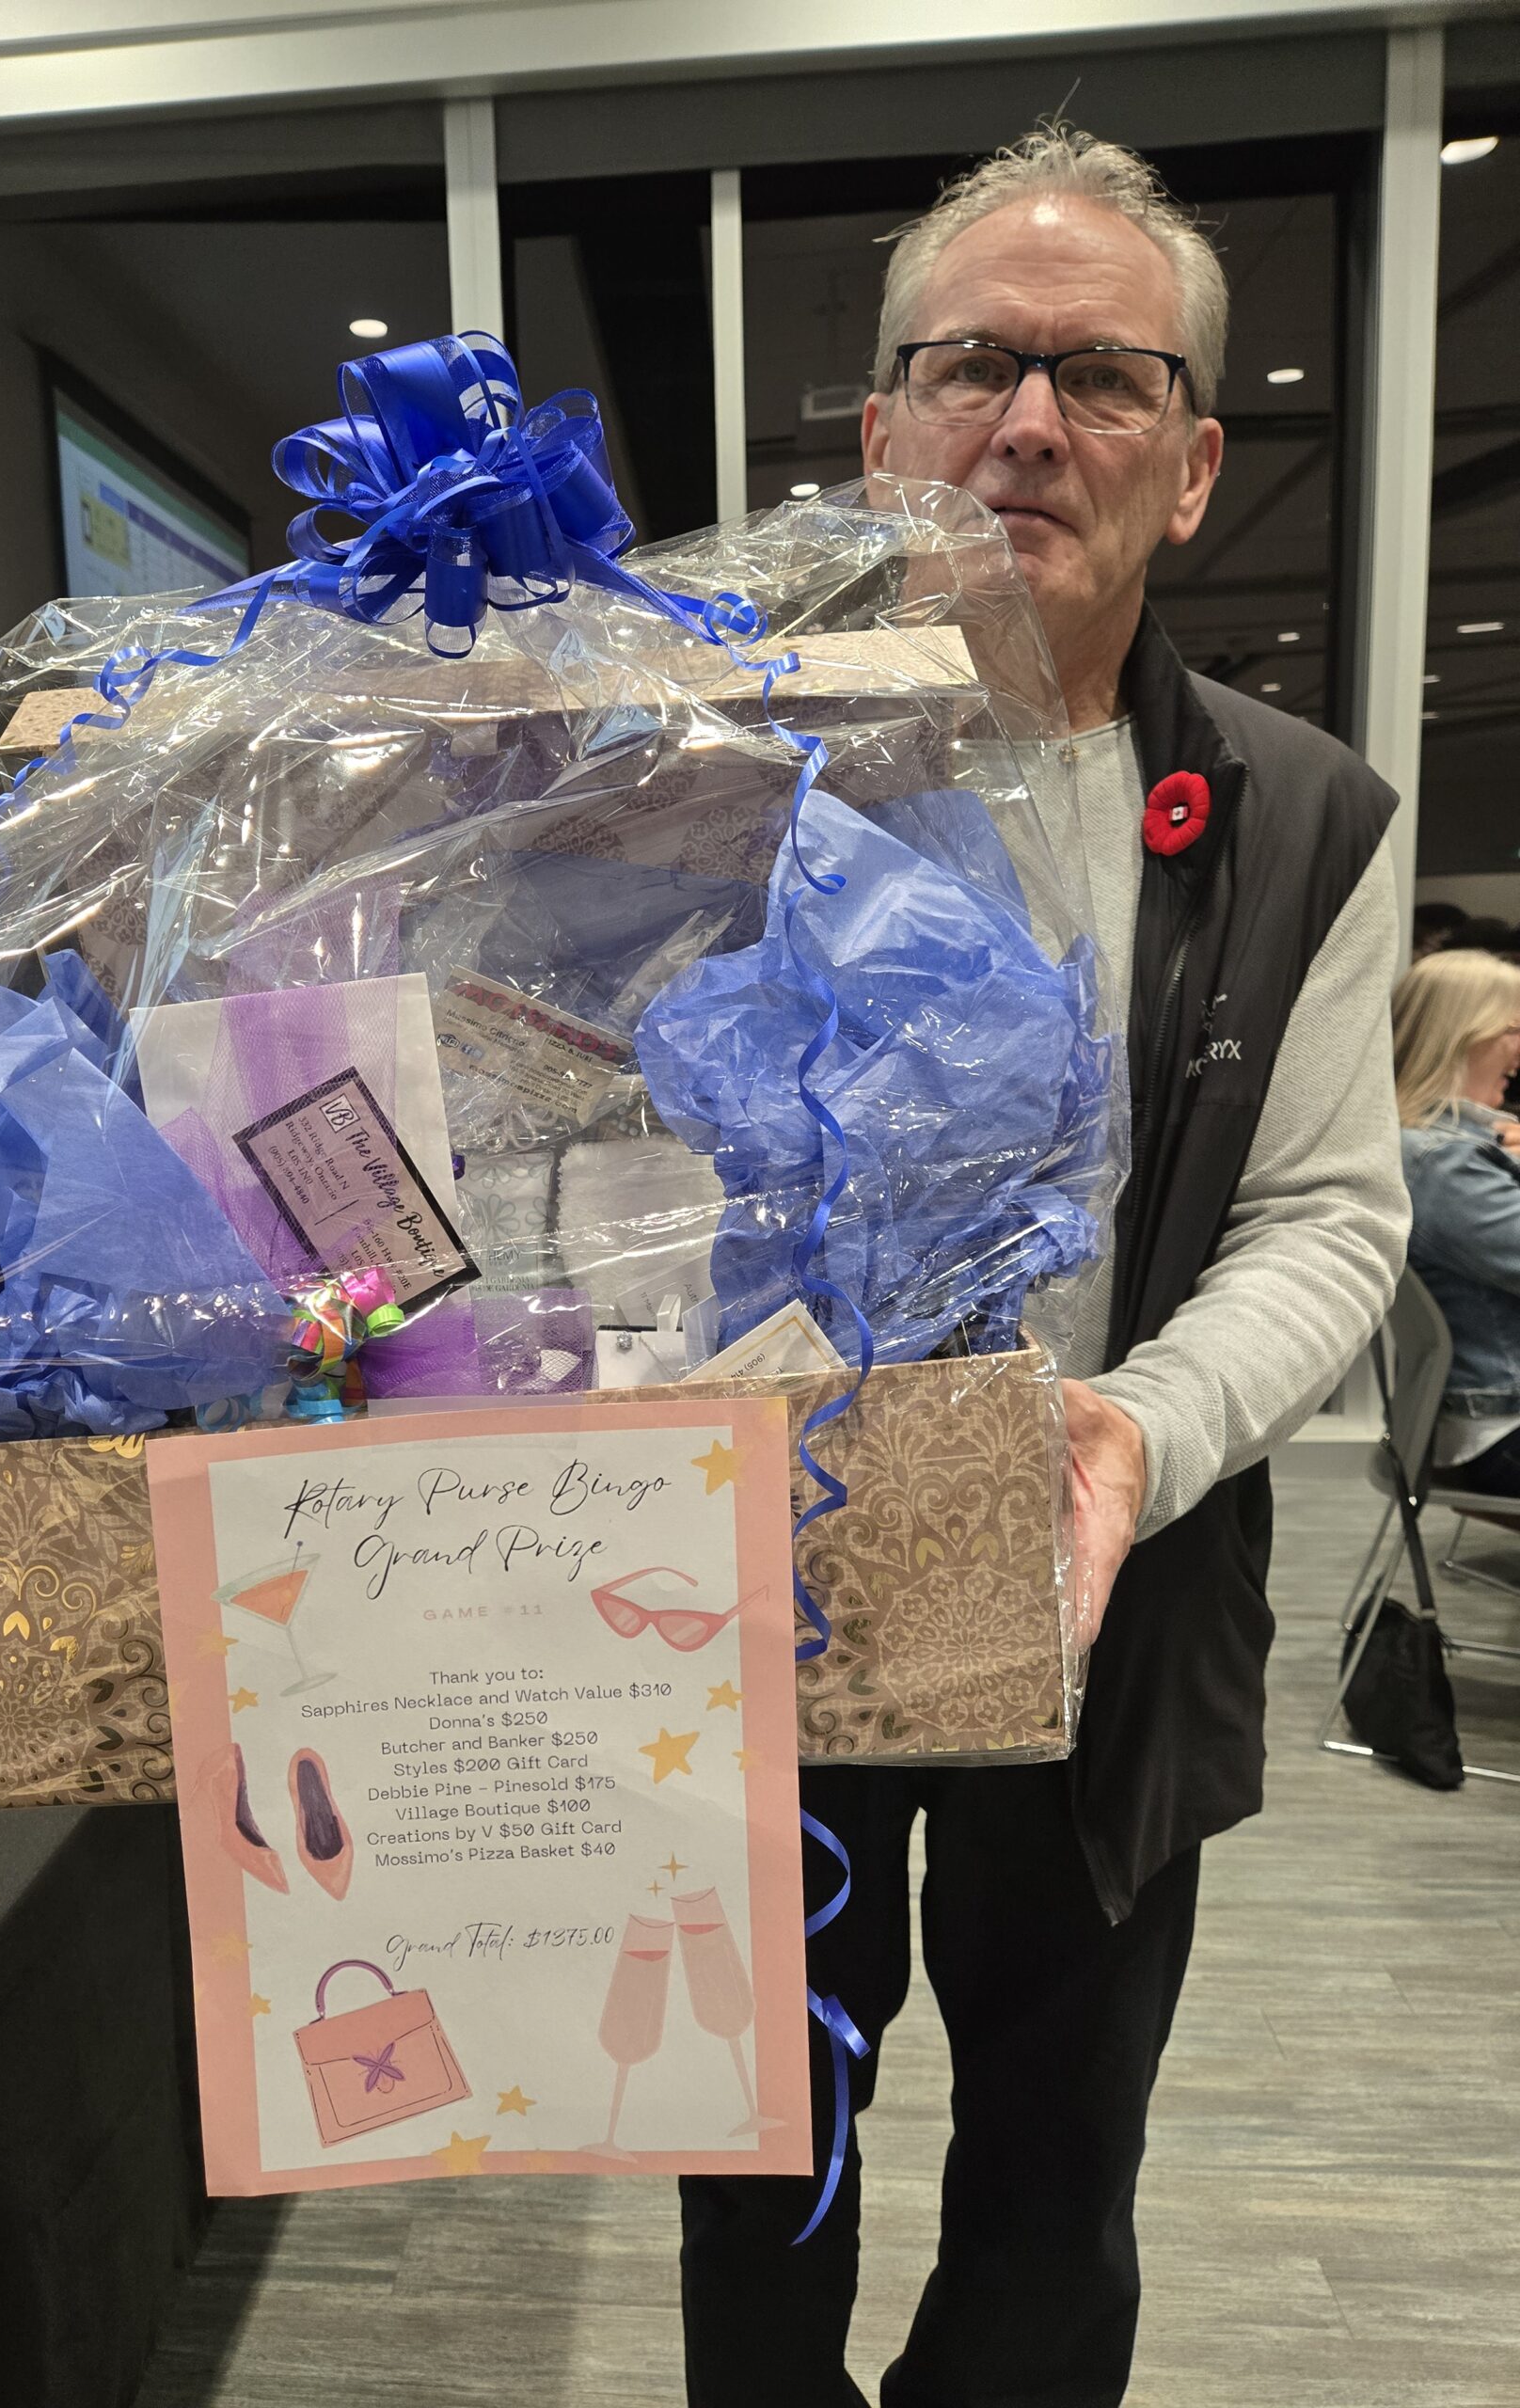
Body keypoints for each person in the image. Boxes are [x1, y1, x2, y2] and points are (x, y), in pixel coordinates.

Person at [679, 125, 1410, 2408]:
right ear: (878, 427)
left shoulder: (1302, 814)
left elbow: (1329, 1214)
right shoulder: (695, 770)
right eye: (970, 364)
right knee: (753, 2175)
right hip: (747, 1594)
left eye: (1099, 376)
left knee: (1052, 2192)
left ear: (1191, 466)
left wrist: (1128, 1430)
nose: (1024, 421)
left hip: (1119, 1596)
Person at [1394, 948, 1520, 1495]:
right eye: (1513, 1029)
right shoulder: (1442, 1162)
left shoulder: (1445, 1148)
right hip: (1501, 1432)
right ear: (1461, 1032)